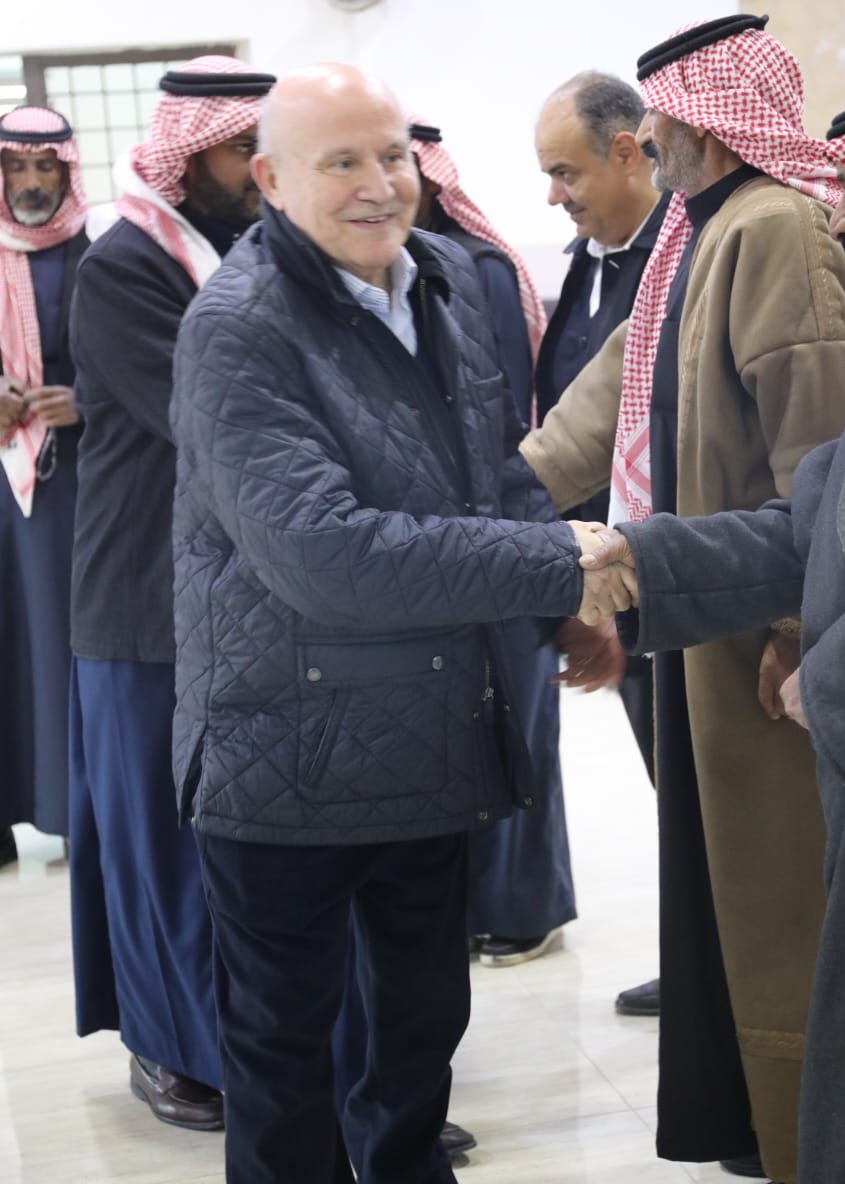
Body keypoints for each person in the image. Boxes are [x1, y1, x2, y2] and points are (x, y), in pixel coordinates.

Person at [169, 62, 631, 1184]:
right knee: (284, 1062)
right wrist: (552, 563)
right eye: (342, 162)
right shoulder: (235, 326)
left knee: (421, 1037)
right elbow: (324, 555)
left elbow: (489, 472)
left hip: (428, 736)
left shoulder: (445, 281)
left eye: (392, 156)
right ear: (270, 180)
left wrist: (557, 602)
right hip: (283, 753)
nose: (380, 185)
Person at [520, 15, 845, 1182]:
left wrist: (798, 630)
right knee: (721, 890)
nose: (649, 146)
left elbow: (817, 449)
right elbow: (600, 404)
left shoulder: (774, 229)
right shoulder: (689, 239)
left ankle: (801, 1130)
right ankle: (750, 1119)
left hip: (765, 632)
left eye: (661, 128)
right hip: (696, 610)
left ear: (708, 126)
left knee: (776, 891)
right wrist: (493, 508)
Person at [68, 56, 275, 1130]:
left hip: (237, 597)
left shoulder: (254, 252)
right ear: (187, 156)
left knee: (231, 851)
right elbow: (207, 418)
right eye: (243, 151)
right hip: (141, 602)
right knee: (157, 842)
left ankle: (265, 1055)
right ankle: (169, 1048)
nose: (259, 171)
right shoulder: (125, 266)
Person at [408, 117, 575, 968]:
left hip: (500, 526)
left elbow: (504, 418)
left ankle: (524, 905)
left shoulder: (477, 269)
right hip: (426, 545)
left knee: (519, 718)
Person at [534, 72, 668, 1016]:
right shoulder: (588, 261)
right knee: (668, 781)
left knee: (708, 791)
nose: (555, 195)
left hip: (677, 569)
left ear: (626, 151)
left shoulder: (682, 256)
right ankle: (699, 959)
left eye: (565, 172)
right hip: (603, 576)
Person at [0, 106, 88, 867]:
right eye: (16, 168)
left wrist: (85, 399)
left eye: (45, 168)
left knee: (52, 635)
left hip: (68, 482)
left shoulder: (99, 252)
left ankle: (67, 807)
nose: (31, 184)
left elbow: (138, 355)